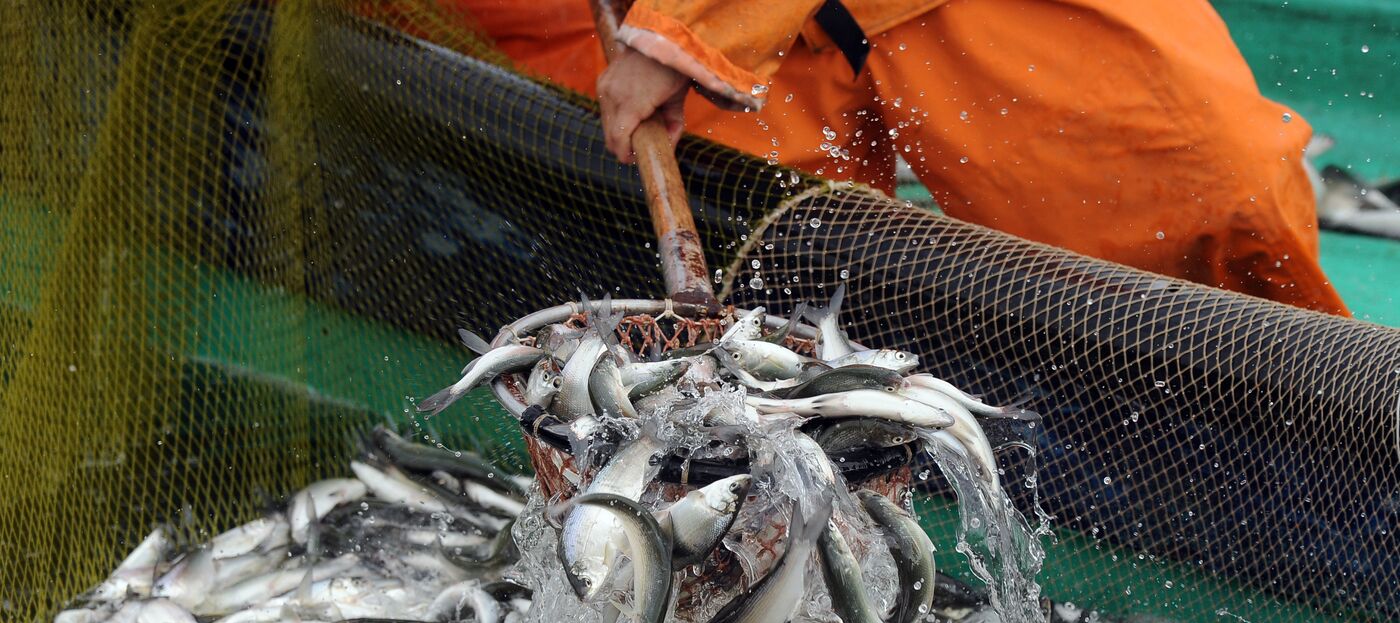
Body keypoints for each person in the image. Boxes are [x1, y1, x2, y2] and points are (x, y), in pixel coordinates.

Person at [459, 0, 1349, 315]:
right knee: (771, 264)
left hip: (994, 18)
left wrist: (678, 38)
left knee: (1203, 213)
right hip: (804, 41)